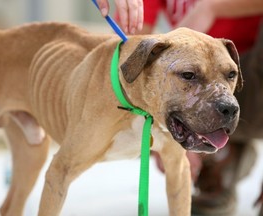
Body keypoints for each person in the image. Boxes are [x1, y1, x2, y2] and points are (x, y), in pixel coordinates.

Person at [97, 0, 263, 215]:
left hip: (251, 80)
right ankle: (221, 165)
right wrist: (162, 123)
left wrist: (211, 7)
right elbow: (130, 58)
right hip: (200, 91)